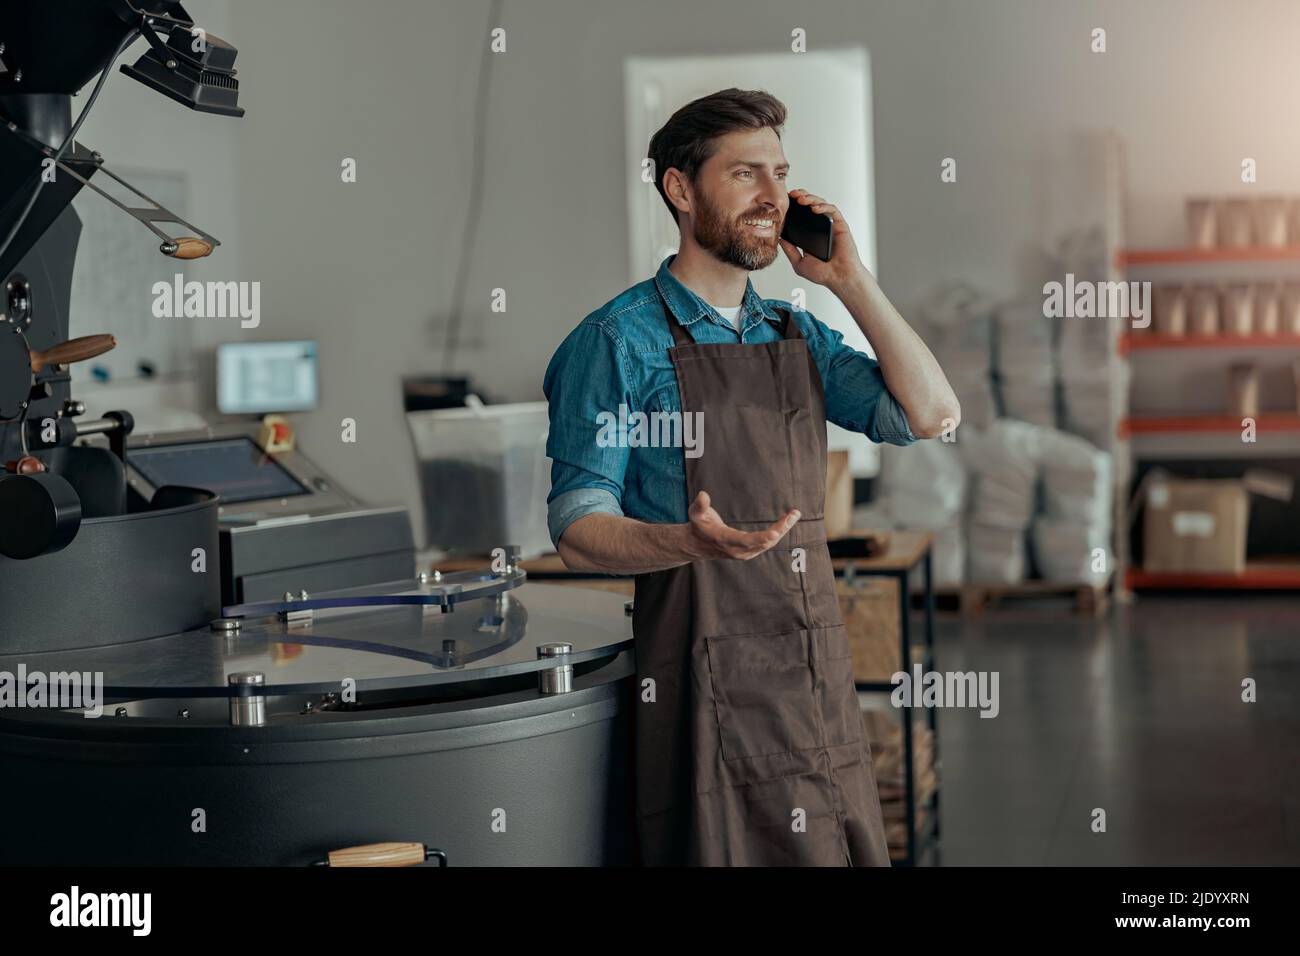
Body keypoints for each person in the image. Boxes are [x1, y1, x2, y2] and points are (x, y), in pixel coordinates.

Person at [542, 87, 959, 865]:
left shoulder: (797, 333)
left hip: (812, 671)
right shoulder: (614, 343)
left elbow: (930, 414)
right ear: (679, 188)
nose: (773, 196)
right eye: (744, 174)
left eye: (781, 172)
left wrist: (850, 281)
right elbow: (576, 527)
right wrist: (689, 541)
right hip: (701, 677)